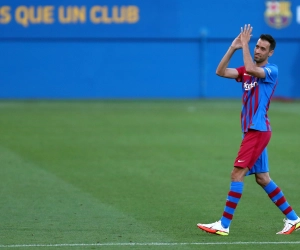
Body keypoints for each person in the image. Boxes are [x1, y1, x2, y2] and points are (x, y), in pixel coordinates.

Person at [197, 24, 300, 236]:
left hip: (257, 129)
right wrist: (233, 47)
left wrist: (244, 44)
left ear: (270, 52)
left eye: (263, 48)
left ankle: (224, 225)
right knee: (262, 178)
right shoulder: (245, 72)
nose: (257, 50)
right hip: (252, 131)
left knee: (237, 174)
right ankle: (293, 219)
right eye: (257, 46)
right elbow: (220, 71)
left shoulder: (271, 71)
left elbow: (253, 69)